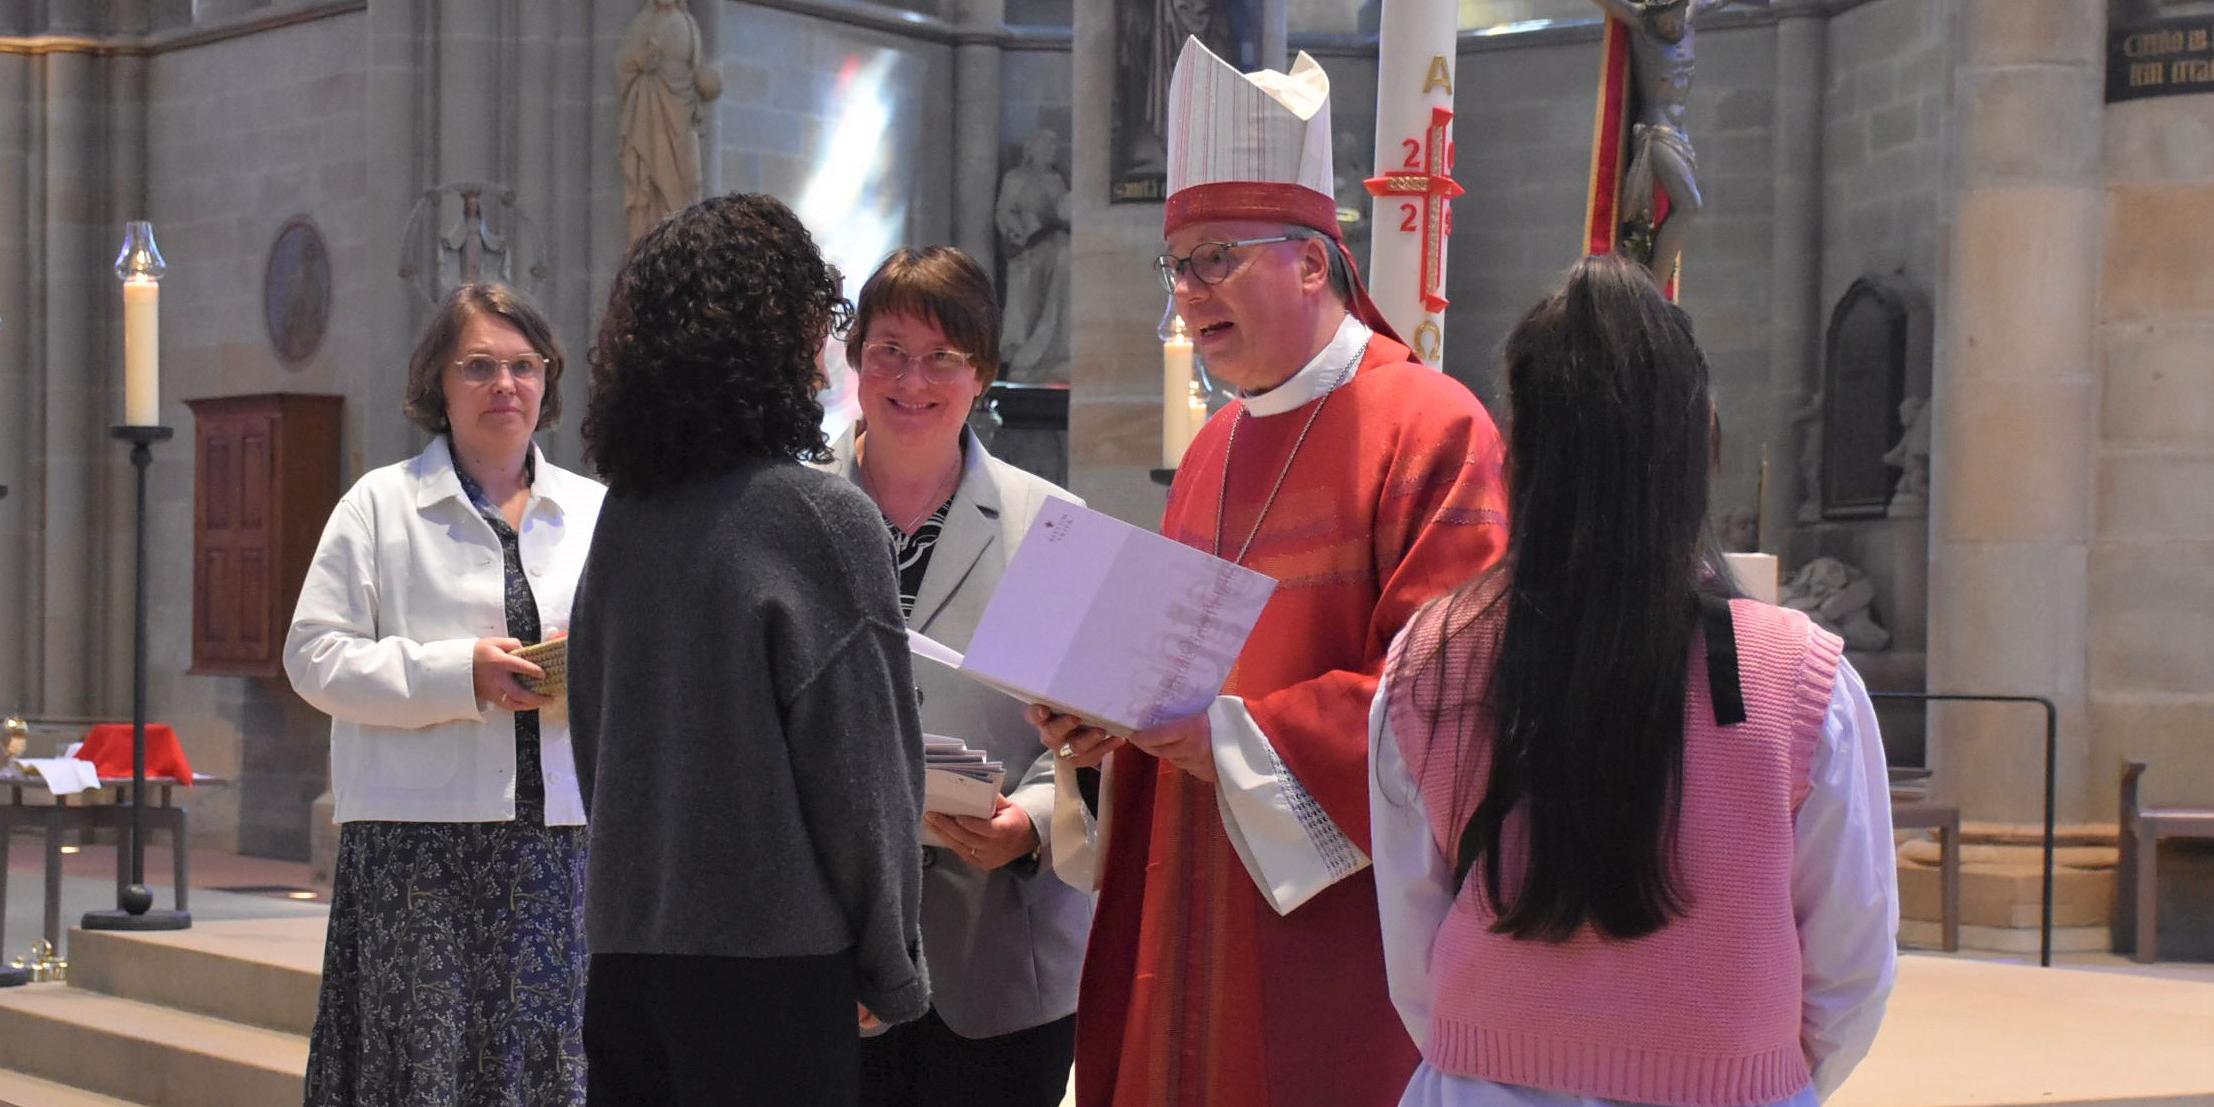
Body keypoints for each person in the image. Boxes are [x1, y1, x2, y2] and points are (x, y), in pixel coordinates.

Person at [1032, 38, 1509, 1107]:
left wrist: (1224, 742)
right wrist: (1095, 735)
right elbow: (1165, 674)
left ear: (1311, 258)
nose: (1189, 293)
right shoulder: (1211, 452)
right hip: (1182, 923)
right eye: (1179, 264)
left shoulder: (1432, 430)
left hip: (1336, 966)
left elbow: (1447, 703)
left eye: (1216, 259)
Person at [1370, 254, 1898, 1107]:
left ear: (1523, 452)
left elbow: (1412, 944)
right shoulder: (1805, 683)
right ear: (1699, 445)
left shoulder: (1430, 660)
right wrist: (1740, 1067)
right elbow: (1851, 972)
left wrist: (1500, 1048)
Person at [567, 193, 928, 1107]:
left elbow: (591, 731)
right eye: (816, 318)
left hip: (626, 957)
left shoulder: (627, 512)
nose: (822, 348)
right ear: (774, 331)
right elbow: (863, 776)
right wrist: (890, 964)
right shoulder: (821, 516)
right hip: (769, 968)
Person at [287, 282, 604, 1107]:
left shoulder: (597, 511)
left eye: (524, 365)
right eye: (479, 366)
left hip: (557, 848)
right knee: (422, 1076)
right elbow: (313, 656)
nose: (506, 384)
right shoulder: (378, 506)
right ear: (438, 383)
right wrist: (458, 673)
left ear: (548, 380)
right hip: (416, 848)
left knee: (544, 1069)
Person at [822, 246, 1092, 1106]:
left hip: (996, 959)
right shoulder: (786, 514)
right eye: (890, 350)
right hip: (820, 948)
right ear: (854, 359)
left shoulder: (1051, 526)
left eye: (945, 356)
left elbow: (1086, 735)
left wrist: (1033, 824)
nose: (913, 378)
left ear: (983, 373)